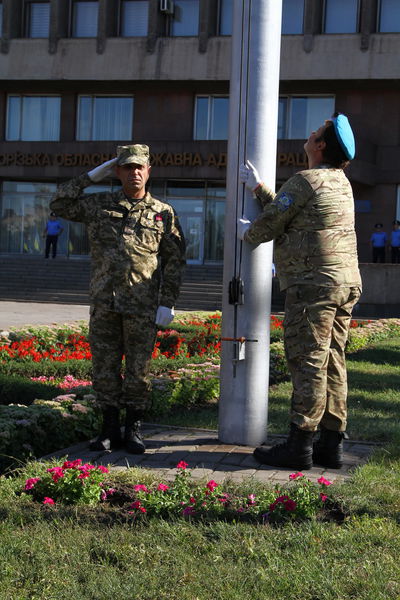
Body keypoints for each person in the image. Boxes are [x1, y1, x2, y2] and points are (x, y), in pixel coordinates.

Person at [238, 113, 361, 470]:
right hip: (345, 284)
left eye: (316, 132)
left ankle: (299, 445)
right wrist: (260, 189)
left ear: (320, 146)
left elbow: (269, 225)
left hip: (313, 287)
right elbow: (291, 212)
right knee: (333, 361)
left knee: (307, 361)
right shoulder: (340, 182)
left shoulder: (305, 179)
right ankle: (331, 444)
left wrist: (245, 233)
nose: (310, 133)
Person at [50, 144, 186, 454]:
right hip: (105, 304)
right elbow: (59, 202)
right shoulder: (99, 205)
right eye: (127, 167)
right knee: (104, 370)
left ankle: (134, 429)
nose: (134, 172)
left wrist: (168, 301)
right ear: (118, 171)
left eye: (140, 167)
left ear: (148, 171)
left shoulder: (163, 213)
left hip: (142, 306)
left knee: (139, 371)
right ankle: (108, 429)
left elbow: (174, 260)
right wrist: (91, 176)